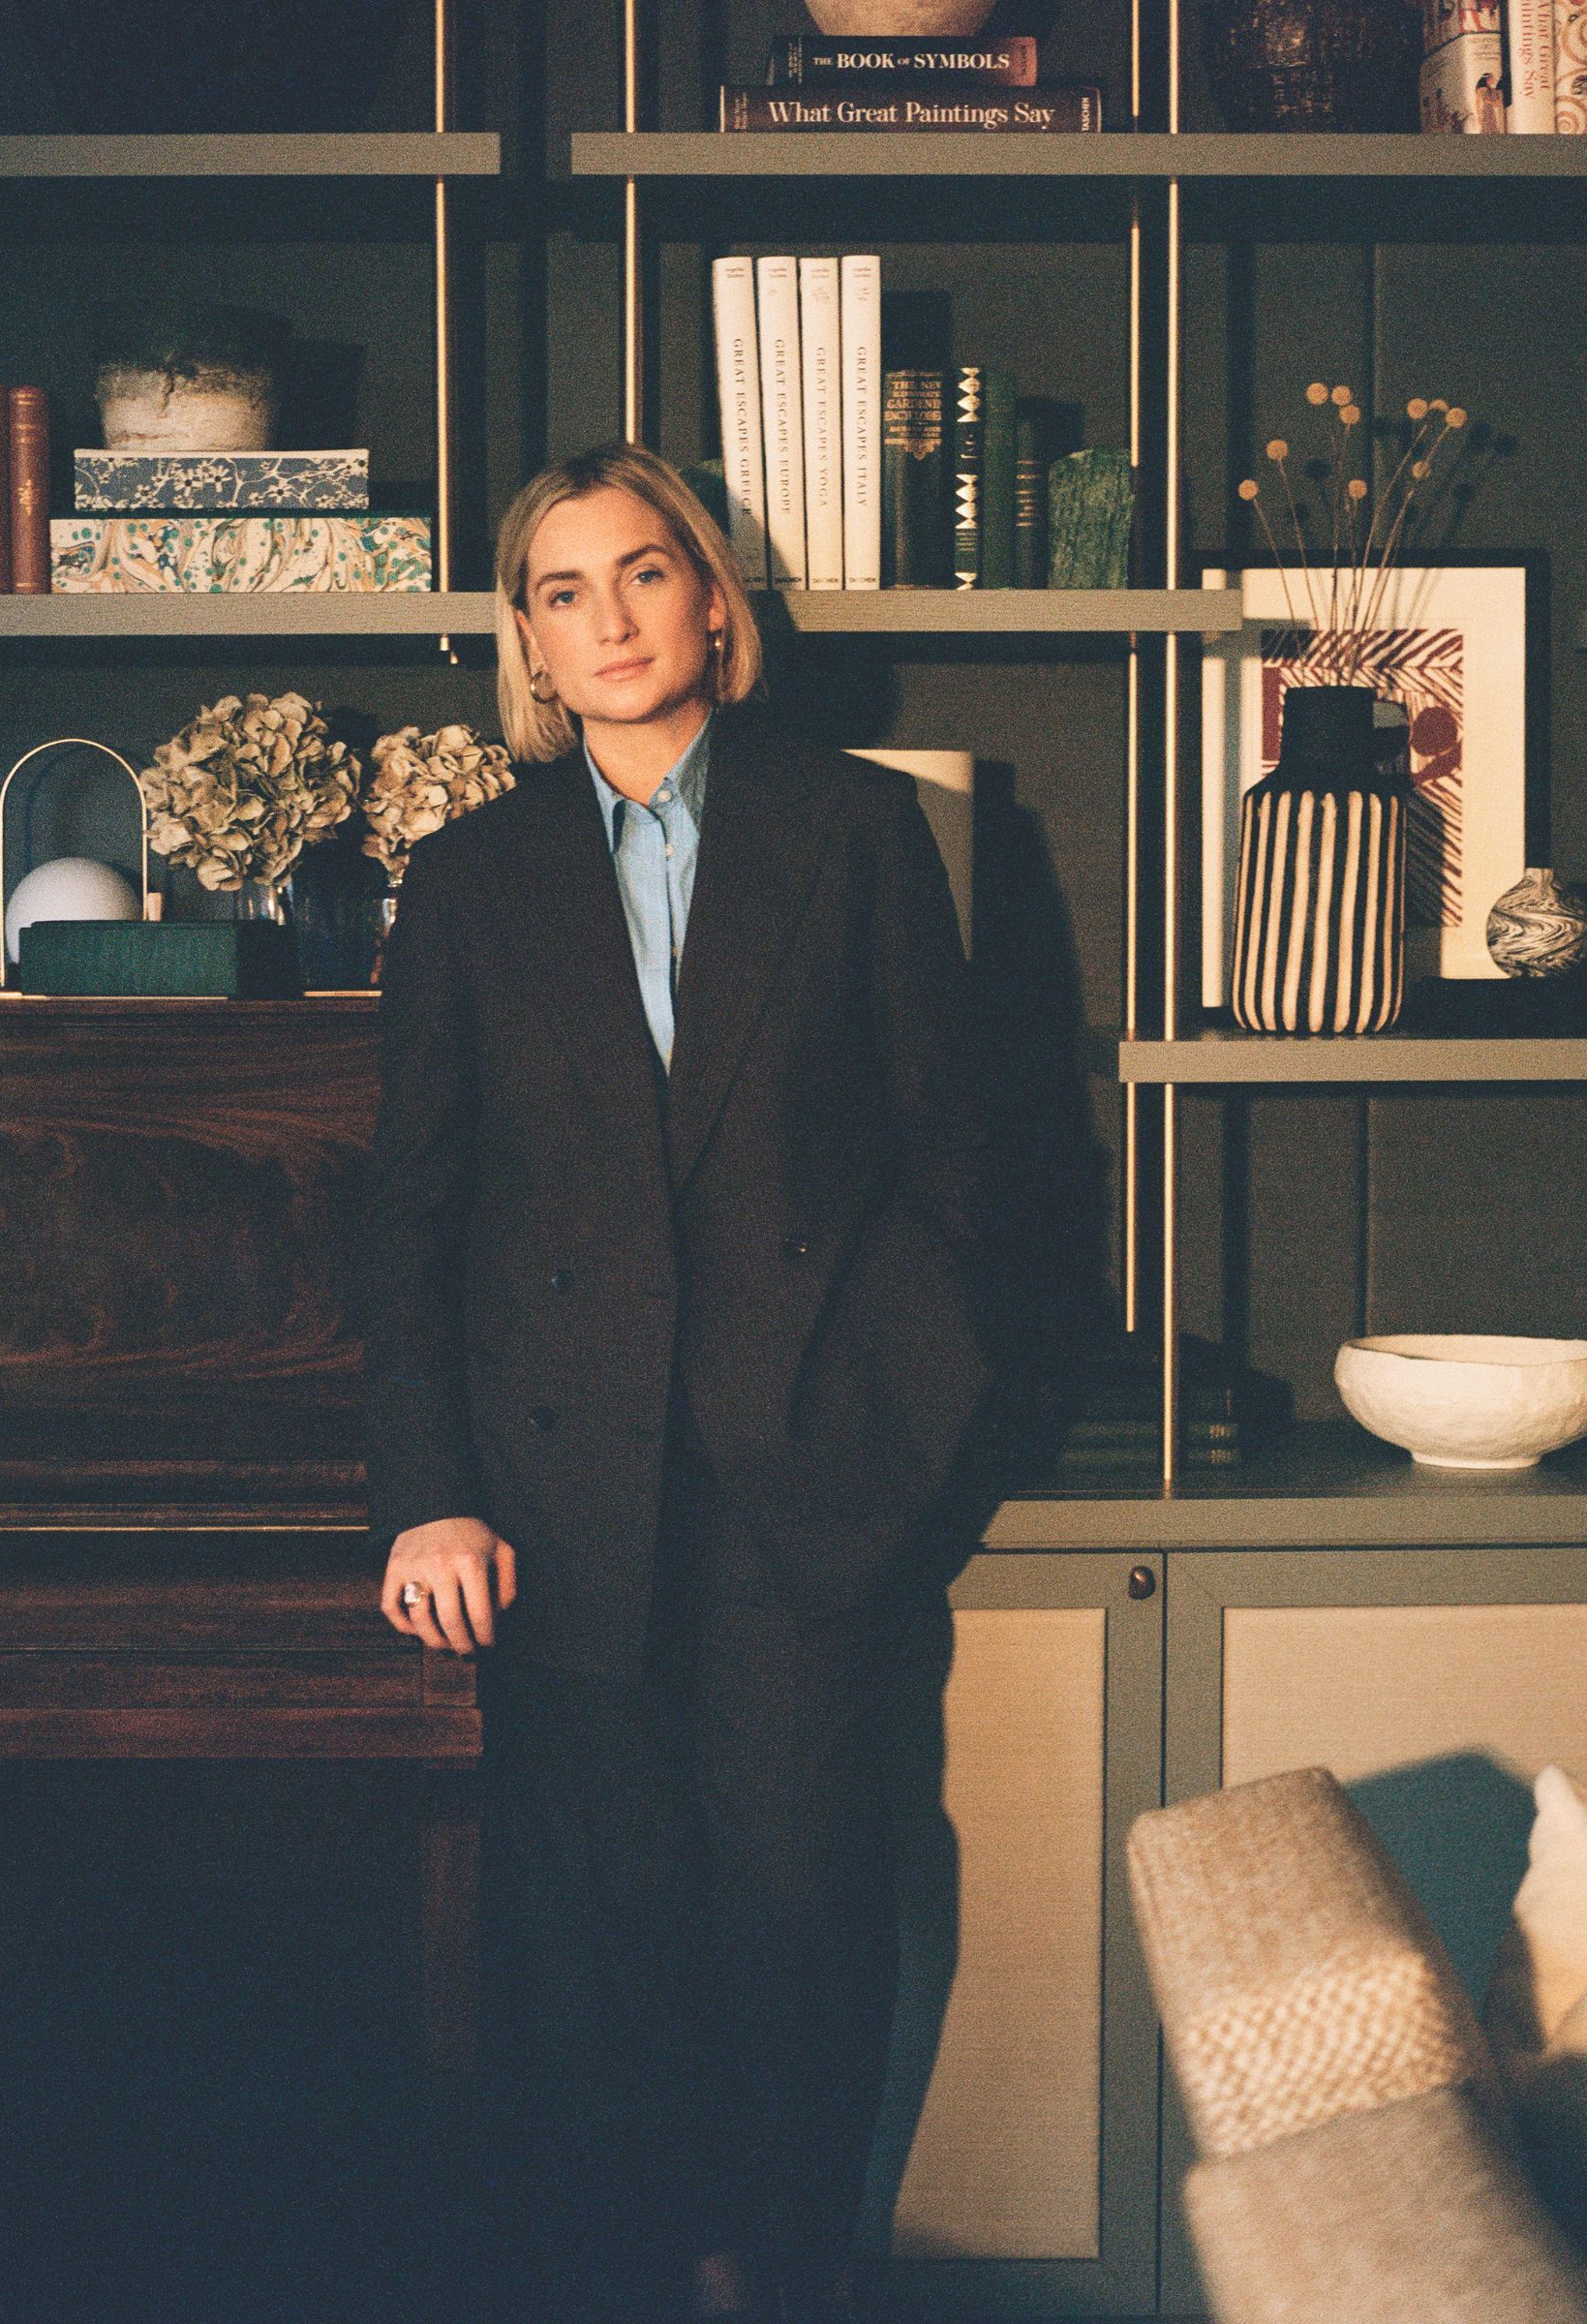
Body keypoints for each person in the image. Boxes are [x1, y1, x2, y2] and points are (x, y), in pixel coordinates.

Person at [362, 443, 995, 2324]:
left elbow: (963, 1168)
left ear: (713, 601)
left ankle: (780, 2280)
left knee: (803, 1922)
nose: (610, 619)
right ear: (529, 642)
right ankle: (670, 2275)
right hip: (558, 1500)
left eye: (642, 573)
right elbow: (414, 1214)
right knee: (608, 1944)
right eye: (563, 592)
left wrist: (909, 1443)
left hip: (803, 1490)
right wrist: (427, 1489)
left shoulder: (858, 832)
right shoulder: (465, 882)